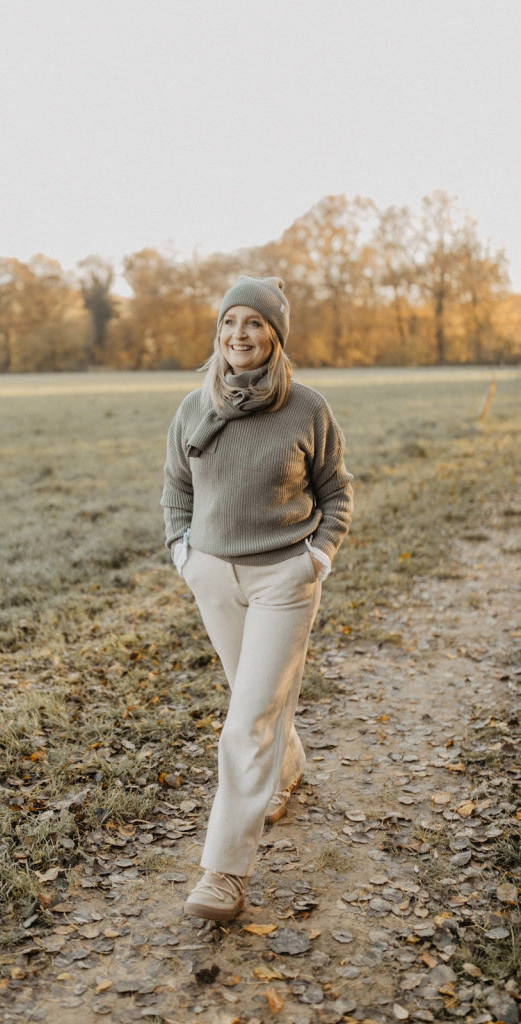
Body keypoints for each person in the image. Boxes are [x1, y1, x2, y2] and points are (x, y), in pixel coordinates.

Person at [161, 275, 353, 922]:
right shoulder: (193, 407)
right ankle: (287, 766)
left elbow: (336, 491)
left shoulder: (306, 407)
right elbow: (175, 489)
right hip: (213, 576)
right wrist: (182, 552)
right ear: (218, 331)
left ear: (275, 335)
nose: (239, 334)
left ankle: (222, 872)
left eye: (253, 323)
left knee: (245, 721)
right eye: (229, 322)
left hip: (283, 580)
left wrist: (316, 556)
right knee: (255, 695)